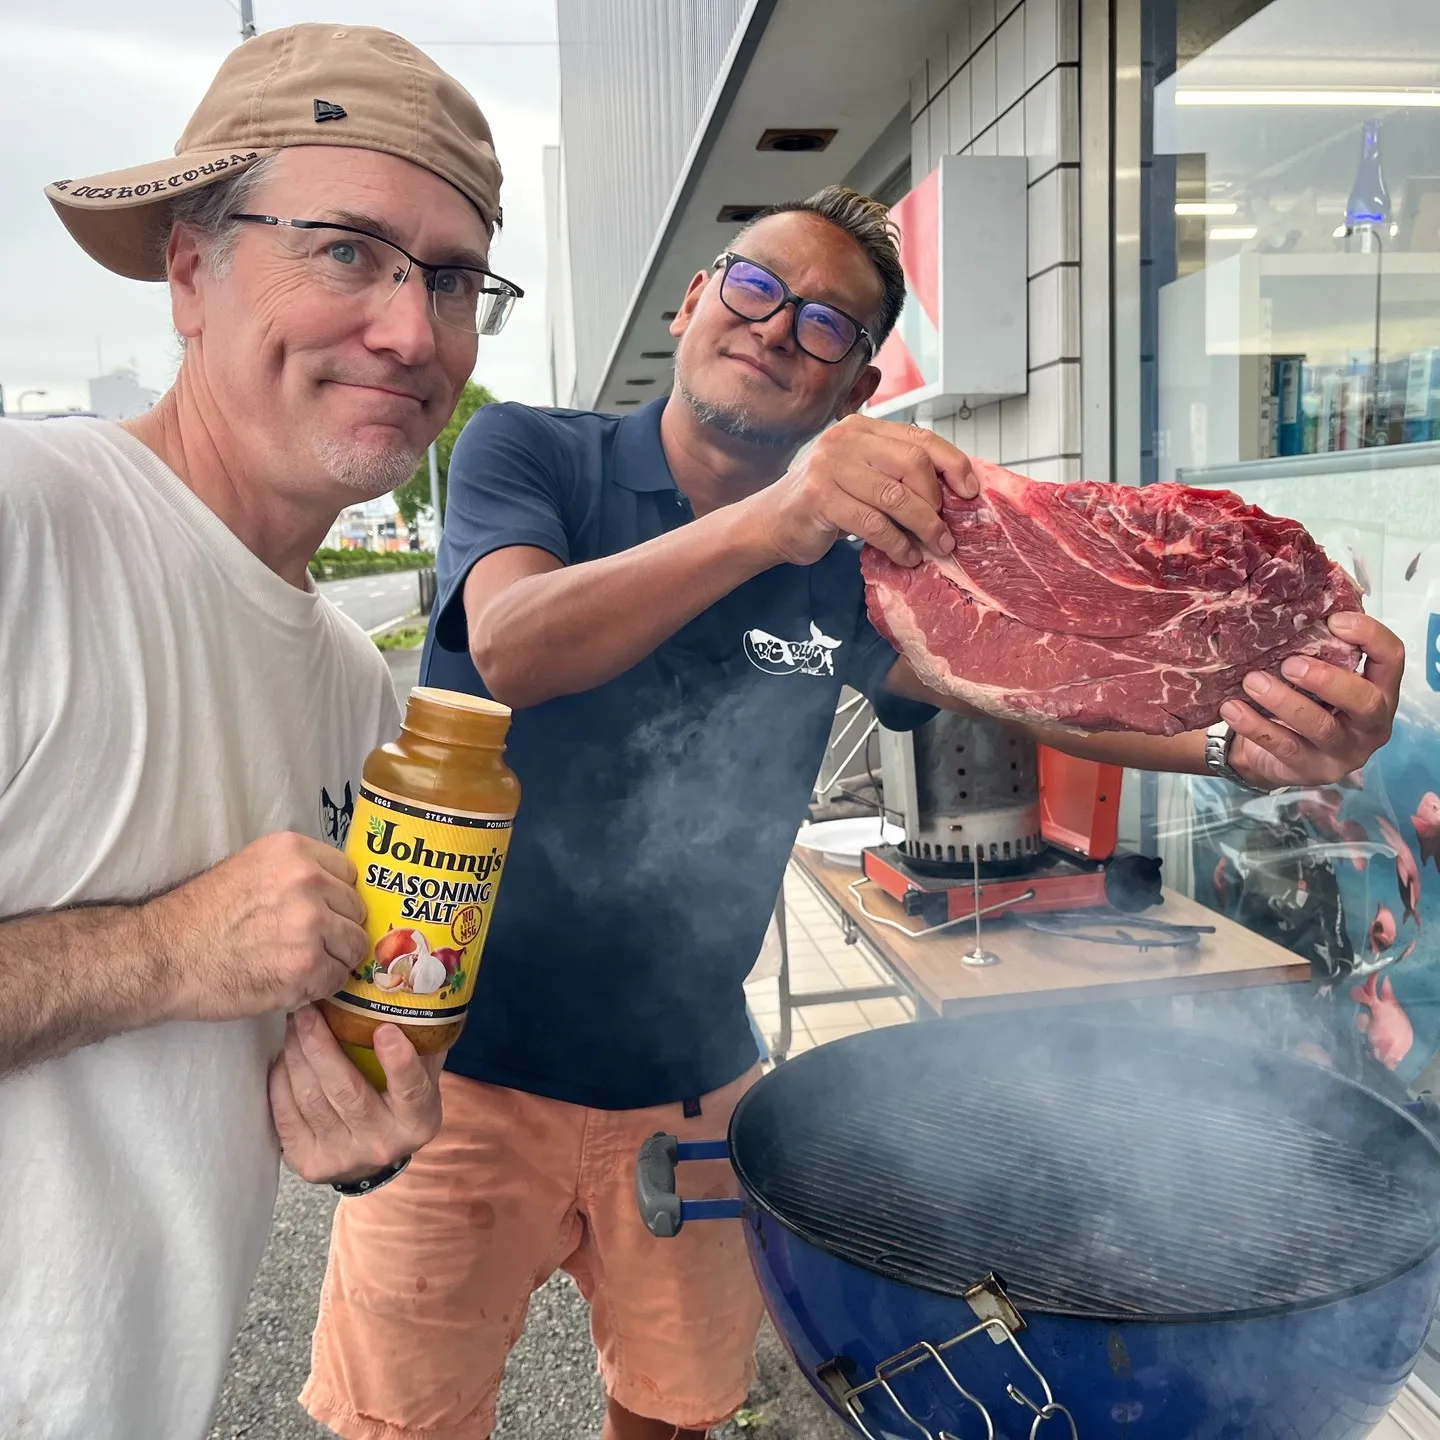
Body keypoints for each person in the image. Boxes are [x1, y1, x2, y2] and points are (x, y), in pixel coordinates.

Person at [303, 187, 1403, 1440]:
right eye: (758, 287)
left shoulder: (851, 568)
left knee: (675, 1412)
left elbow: (1014, 685)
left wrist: (1237, 743)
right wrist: (777, 518)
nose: (777, 328)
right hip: (455, 1070)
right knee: (403, 1423)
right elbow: (509, 646)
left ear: (855, 387)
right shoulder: (537, 458)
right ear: (695, 300)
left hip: (692, 1079)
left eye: (825, 325)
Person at [0, 25, 523, 1440]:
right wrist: (165, 950)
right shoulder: (25, 521)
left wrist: (357, 1133)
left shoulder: (359, 692)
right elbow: (188, 966)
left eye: (453, 278)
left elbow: (268, 1072)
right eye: (345, 248)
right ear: (189, 268)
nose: (414, 332)